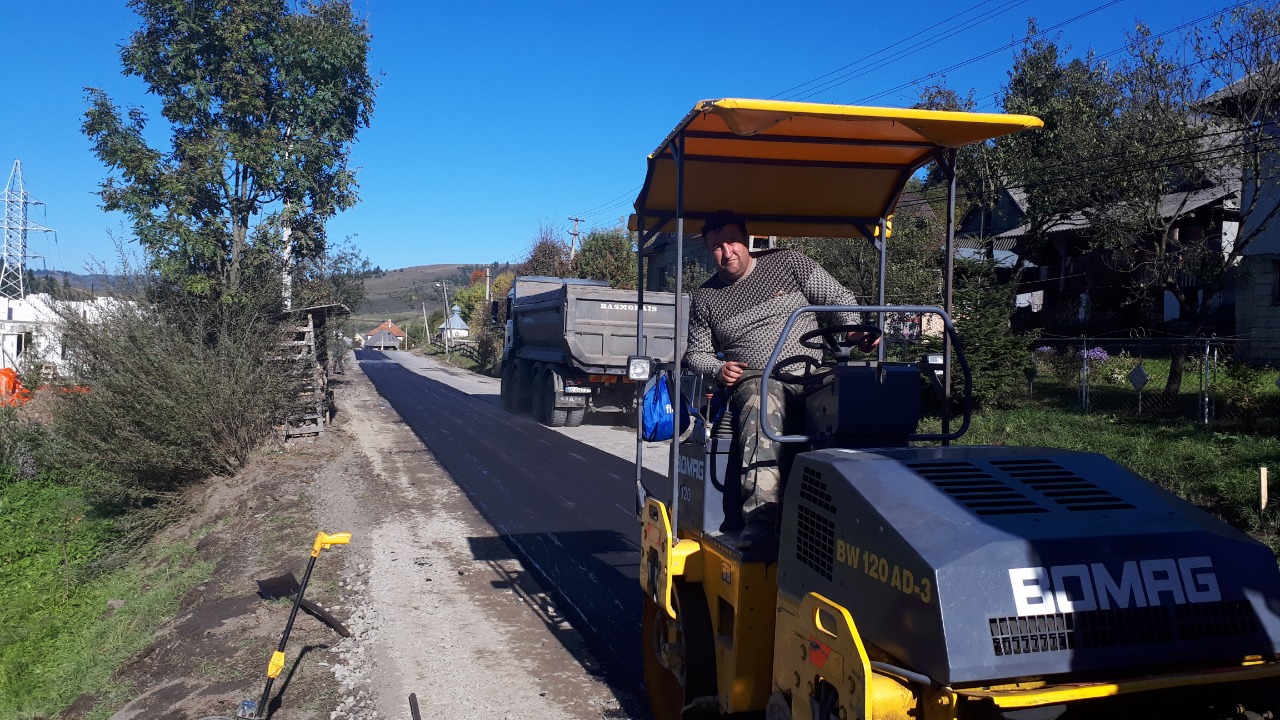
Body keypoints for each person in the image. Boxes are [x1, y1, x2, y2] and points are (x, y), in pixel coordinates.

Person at [685, 210, 873, 548]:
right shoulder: (705, 298)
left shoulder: (788, 263)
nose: (727, 253)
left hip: (811, 372)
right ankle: (762, 518)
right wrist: (717, 369)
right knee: (760, 396)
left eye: (732, 242)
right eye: (716, 247)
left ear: (747, 240)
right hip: (756, 377)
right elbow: (696, 354)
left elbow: (839, 299)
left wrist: (854, 329)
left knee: (863, 393)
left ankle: (867, 511)